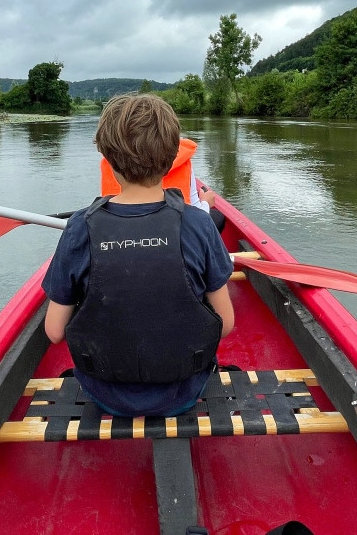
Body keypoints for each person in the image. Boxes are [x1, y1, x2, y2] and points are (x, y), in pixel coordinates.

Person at [42, 94, 235, 417]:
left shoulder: (79, 227)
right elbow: (225, 324)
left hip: (103, 392)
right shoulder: (200, 223)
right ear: (174, 155)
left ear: (106, 157)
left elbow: (54, 332)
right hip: (183, 391)